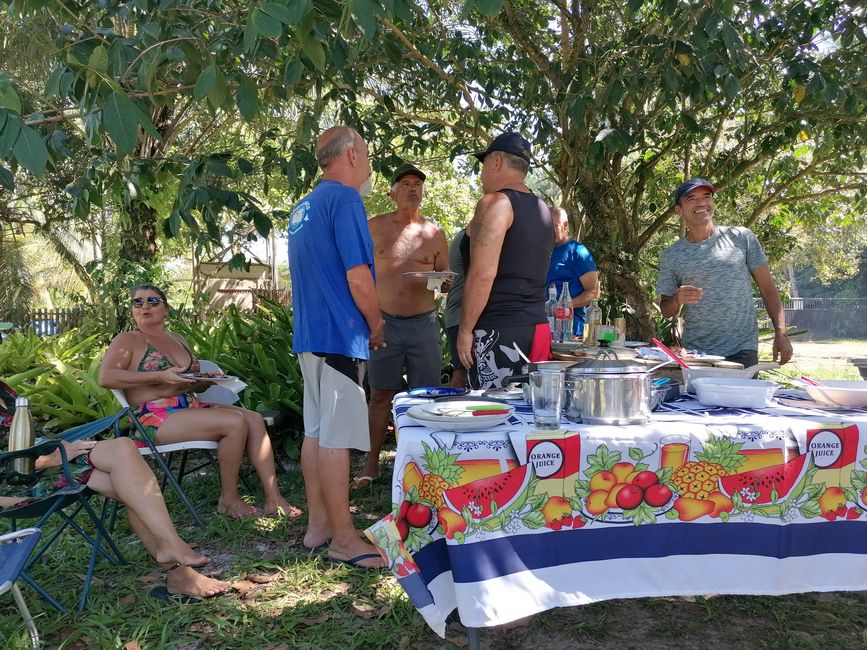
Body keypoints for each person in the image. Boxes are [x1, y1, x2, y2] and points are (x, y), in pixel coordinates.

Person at [0, 382, 228, 600]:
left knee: (123, 453)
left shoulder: (4, 391)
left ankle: (171, 551)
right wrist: (48, 460)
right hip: (12, 488)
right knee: (128, 484)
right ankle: (178, 571)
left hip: (45, 469)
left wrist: (58, 451)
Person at [98, 285, 301, 520]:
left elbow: (185, 383)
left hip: (189, 406)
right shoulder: (128, 339)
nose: (144, 306)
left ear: (166, 309)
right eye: (137, 302)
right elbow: (106, 377)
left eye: (153, 301)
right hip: (154, 416)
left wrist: (204, 381)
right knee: (234, 422)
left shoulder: (177, 338)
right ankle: (229, 500)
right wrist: (158, 376)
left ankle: (273, 497)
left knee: (254, 418)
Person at [287, 125, 386, 569]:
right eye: (365, 153)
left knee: (316, 432)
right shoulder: (345, 199)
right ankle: (344, 540)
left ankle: (319, 525)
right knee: (337, 438)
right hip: (340, 336)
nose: (367, 164)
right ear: (349, 154)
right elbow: (358, 276)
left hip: (310, 337)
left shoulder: (302, 207)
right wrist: (376, 322)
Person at [358, 163, 450, 488]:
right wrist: (368, 320)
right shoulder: (373, 227)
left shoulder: (435, 233)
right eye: (406, 183)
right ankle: (370, 465)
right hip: (385, 323)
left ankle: (424, 464)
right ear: (392, 192)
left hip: (424, 324)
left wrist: (436, 280)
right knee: (380, 393)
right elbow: (358, 275)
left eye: (417, 184)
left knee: (426, 396)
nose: (413, 188)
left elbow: (446, 283)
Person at [656, 178, 793, 367]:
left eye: (706, 197)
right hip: (698, 354)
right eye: (691, 199)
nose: (701, 203)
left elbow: (768, 289)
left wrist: (781, 332)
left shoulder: (741, 238)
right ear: (679, 210)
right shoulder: (672, 255)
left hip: (742, 350)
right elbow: (665, 310)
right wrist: (676, 299)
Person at [456, 132, 554, 389]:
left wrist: (465, 330)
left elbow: (483, 273)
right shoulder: (542, 208)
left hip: (499, 330)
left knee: (494, 418)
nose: (481, 175)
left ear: (496, 162)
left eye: (483, 166)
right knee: (530, 417)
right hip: (538, 327)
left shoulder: (496, 202)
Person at [546, 207, 600, 337]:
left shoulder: (578, 252)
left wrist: (563, 306)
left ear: (565, 225)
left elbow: (594, 292)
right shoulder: (541, 251)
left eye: (553, 226)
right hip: (544, 328)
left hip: (570, 331)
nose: (548, 231)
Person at [445, 227, 468, 389]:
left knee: (462, 374)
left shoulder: (463, 237)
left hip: (459, 317)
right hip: (461, 318)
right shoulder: (467, 240)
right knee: (461, 375)